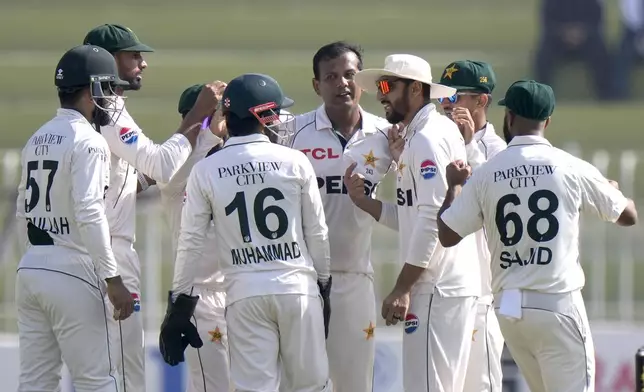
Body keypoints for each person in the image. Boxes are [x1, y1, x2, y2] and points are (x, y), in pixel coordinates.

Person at [437, 80, 638, 392]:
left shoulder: (488, 171)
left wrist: (453, 186)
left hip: (510, 311)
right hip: (556, 304)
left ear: (510, 117)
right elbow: (628, 216)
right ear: (547, 121)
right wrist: (613, 192)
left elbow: (447, 234)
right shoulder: (569, 165)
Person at [160, 73, 333, 392]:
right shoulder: (295, 161)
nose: (279, 119)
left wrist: (178, 304)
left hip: (244, 293)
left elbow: (190, 243)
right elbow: (317, 233)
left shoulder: (206, 170)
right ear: (262, 114)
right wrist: (324, 285)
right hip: (297, 287)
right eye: (276, 111)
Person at [83, 23, 219, 391]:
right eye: (133, 56)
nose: (142, 64)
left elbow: (137, 176)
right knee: (124, 373)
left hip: (90, 251)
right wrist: (199, 116)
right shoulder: (106, 109)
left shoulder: (94, 112)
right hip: (108, 251)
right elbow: (159, 165)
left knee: (105, 370)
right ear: (106, 61)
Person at [346, 54, 480, 392]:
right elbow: (413, 216)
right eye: (380, 87)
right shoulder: (422, 136)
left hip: (435, 286)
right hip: (441, 285)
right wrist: (366, 203)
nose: (380, 95)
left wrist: (402, 287)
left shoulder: (426, 140)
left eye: (388, 86)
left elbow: (432, 221)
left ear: (417, 90)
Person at [15, 44, 135, 392]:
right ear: (92, 89)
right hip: (73, 269)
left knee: (35, 383)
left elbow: (24, 209)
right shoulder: (89, 141)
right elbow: (88, 210)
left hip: (32, 268)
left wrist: (39, 256)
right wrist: (112, 278)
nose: (113, 98)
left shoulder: (37, 137)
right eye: (110, 89)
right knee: (98, 381)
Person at [287, 41, 392, 392]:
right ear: (316, 85)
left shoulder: (386, 135)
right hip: (301, 278)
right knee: (300, 384)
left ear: (362, 81)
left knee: (354, 385)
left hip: (354, 277)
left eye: (349, 75)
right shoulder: (291, 133)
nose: (342, 83)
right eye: (330, 77)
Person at [437, 60, 506, 392]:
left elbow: (488, 204)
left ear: (482, 100)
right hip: (442, 285)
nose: (449, 106)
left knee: (480, 383)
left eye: (457, 97)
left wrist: (467, 148)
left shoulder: (498, 151)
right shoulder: (436, 140)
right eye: (444, 98)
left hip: (481, 289)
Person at [157, 82, 230, 392]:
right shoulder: (176, 171)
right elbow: (174, 177)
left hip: (243, 289)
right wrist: (208, 130)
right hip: (201, 297)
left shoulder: (230, 160)